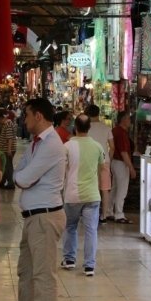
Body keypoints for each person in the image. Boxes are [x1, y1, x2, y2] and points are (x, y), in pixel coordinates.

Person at [2, 98, 66, 301]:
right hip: (33, 217)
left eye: (27, 115)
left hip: (45, 217)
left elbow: (23, 178)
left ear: (38, 116)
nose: (24, 120)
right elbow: (20, 170)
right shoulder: (35, 144)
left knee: (43, 274)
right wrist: (23, 175)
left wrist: (23, 176)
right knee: (26, 271)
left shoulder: (51, 145)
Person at [60, 114, 105, 276]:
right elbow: (103, 168)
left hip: (72, 195)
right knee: (91, 230)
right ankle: (89, 266)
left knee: (70, 227)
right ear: (89, 128)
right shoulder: (98, 147)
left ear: (75, 127)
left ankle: (70, 259)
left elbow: (61, 171)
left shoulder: (67, 147)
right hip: (92, 195)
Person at [85, 104, 114, 223]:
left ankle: (92, 214)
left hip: (90, 161)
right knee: (105, 189)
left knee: (92, 188)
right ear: (98, 113)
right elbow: (112, 147)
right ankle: (104, 215)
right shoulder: (106, 128)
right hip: (104, 160)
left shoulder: (86, 128)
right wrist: (109, 159)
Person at [110, 110, 136, 224]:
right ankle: (119, 214)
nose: (130, 121)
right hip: (121, 163)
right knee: (122, 189)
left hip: (114, 162)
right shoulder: (121, 133)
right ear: (124, 120)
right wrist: (131, 167)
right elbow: (124, 152)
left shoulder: (115, 131)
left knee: (115, 188)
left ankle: (109, 211)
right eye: (129, 119)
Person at [0, 109, 17, 189]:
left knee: (8, 166)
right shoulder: (6, 124)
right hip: (4, 149)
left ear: (1, 118)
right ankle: (3, 182)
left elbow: (9, 138)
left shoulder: (8, 124)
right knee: (5, 166)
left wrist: (9, 149)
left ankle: (10, 183)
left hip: (7, 149)